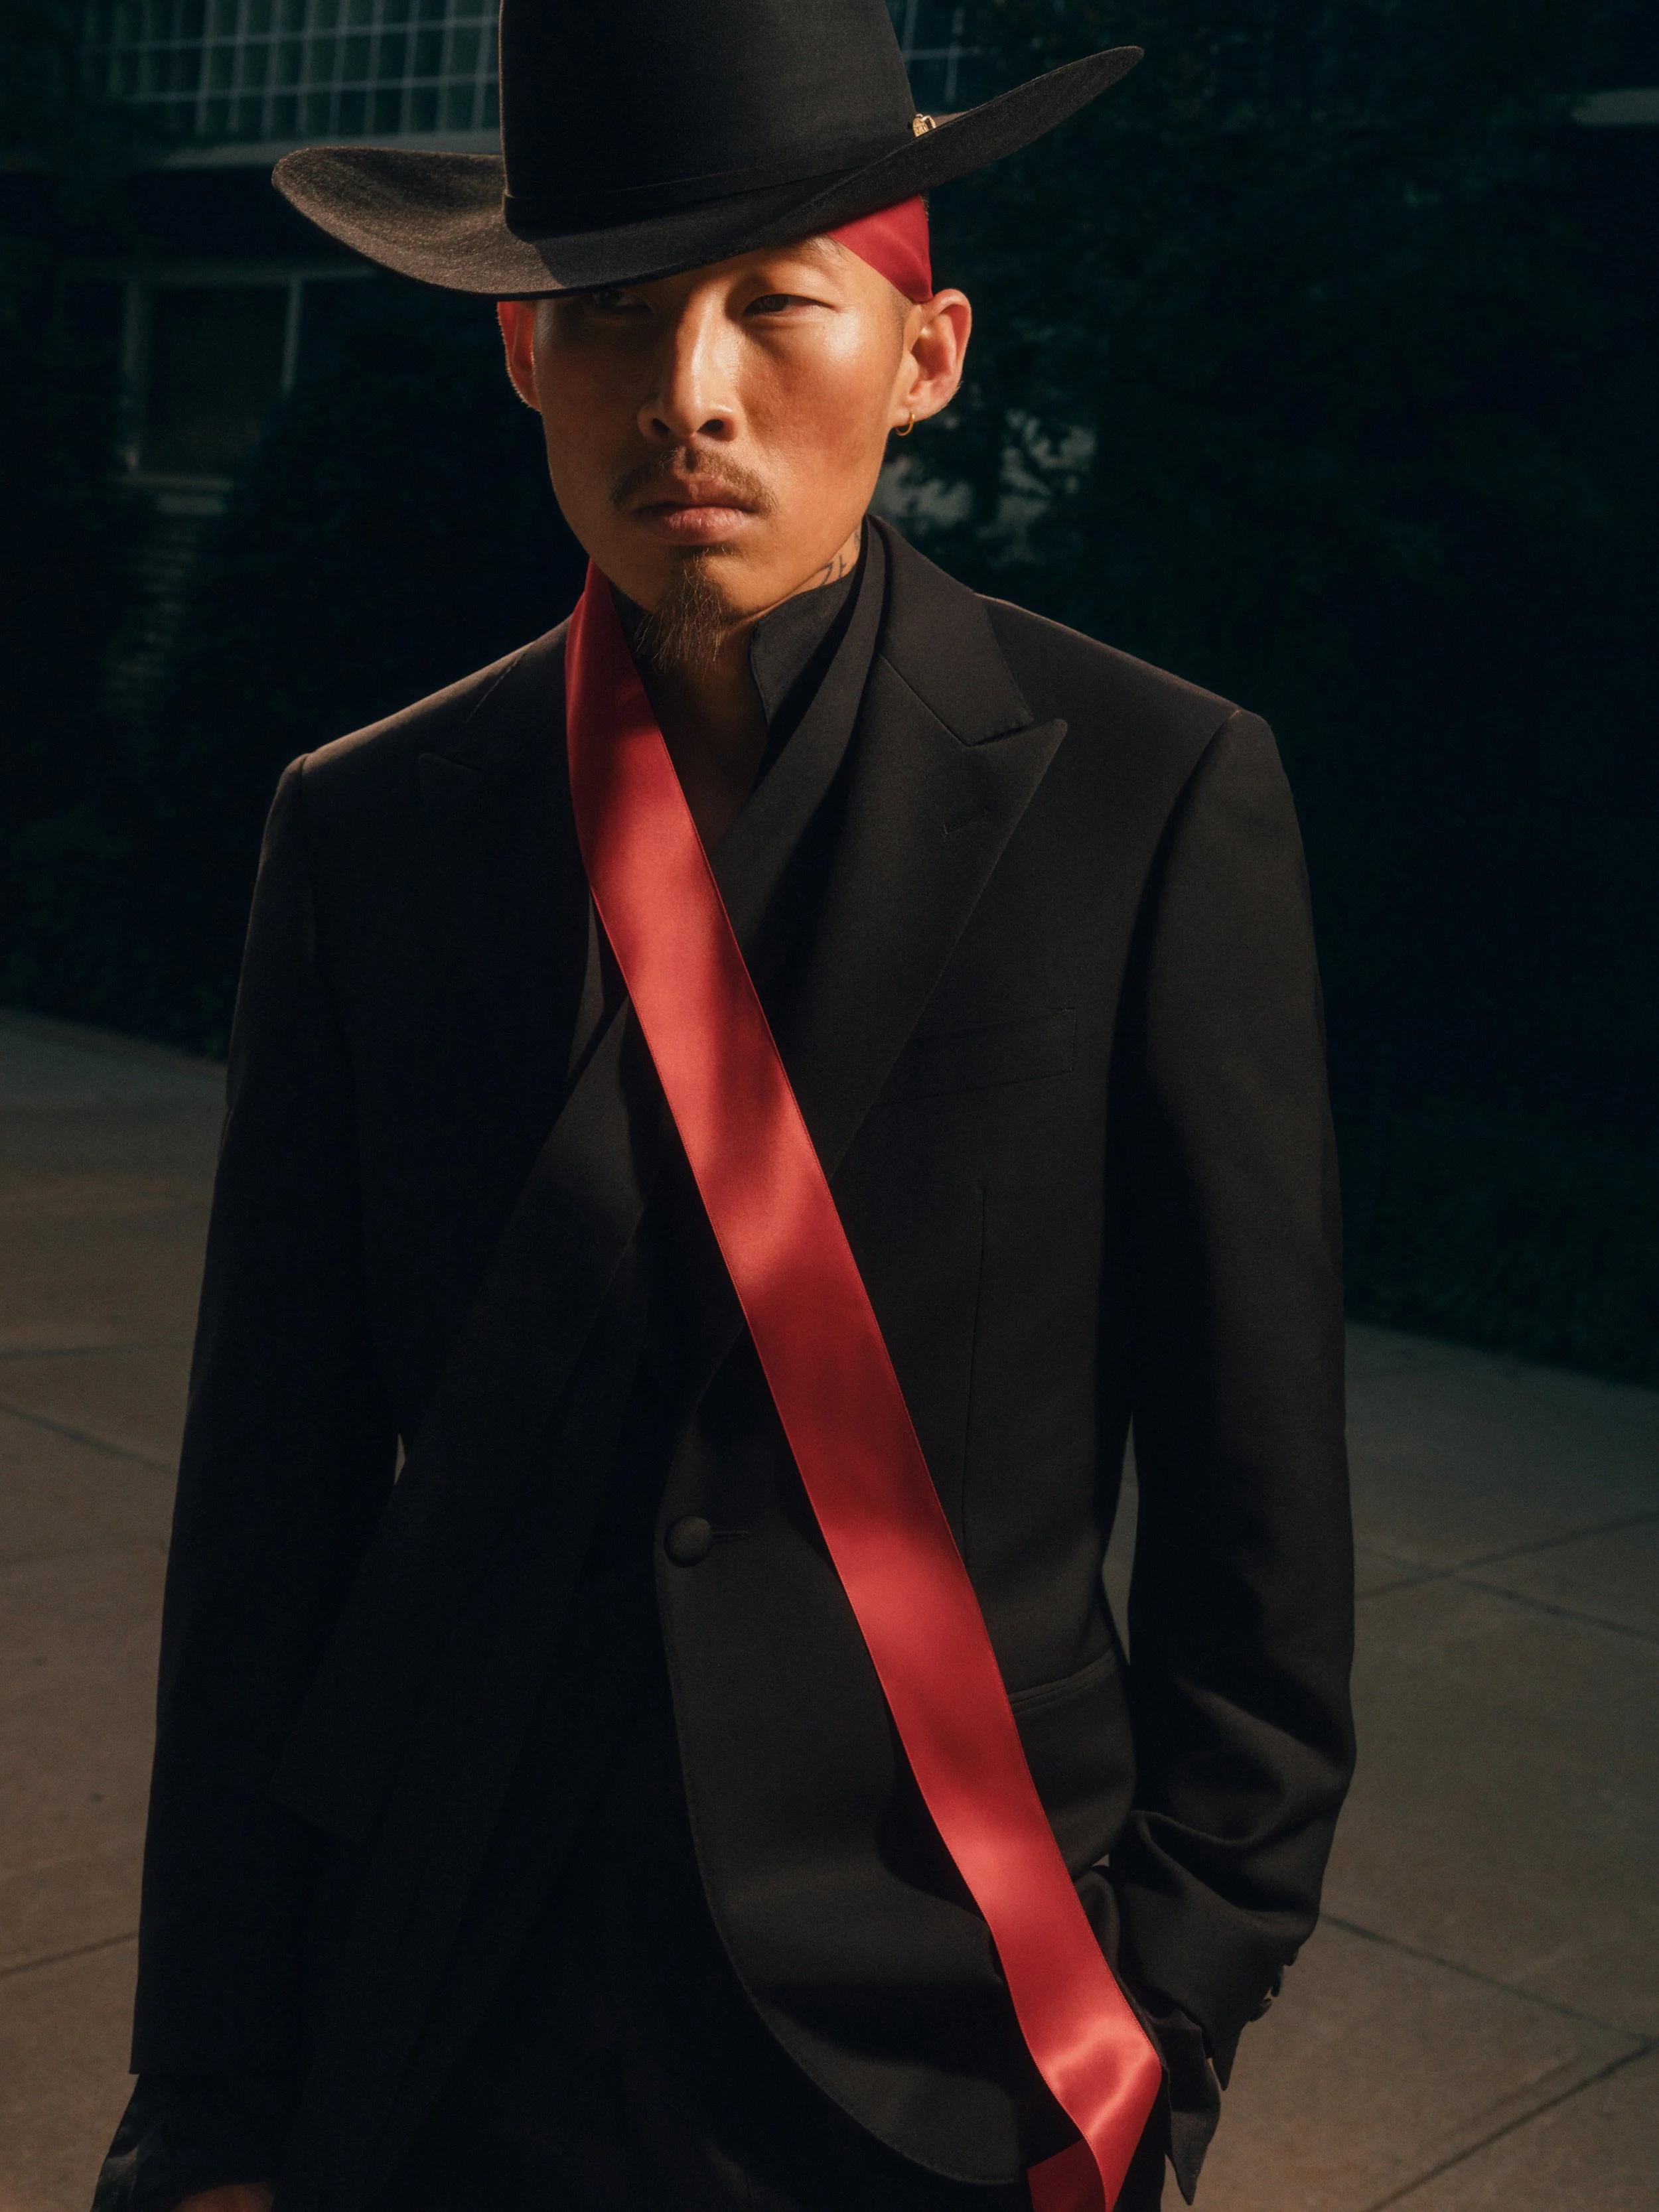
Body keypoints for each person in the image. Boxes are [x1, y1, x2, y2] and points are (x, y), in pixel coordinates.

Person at [94, 3, 1354, 2209]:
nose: (685, 389)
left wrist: (1167, 2011)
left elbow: (1259, 1529)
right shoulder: (368, 833)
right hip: (447, 2015)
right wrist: (206, 2097)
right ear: (520, 356)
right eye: (608, 311)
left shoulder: (1148, 800)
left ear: (926, 355)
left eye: (775, 303)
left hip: (956, 2042)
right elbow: (265, 1516)